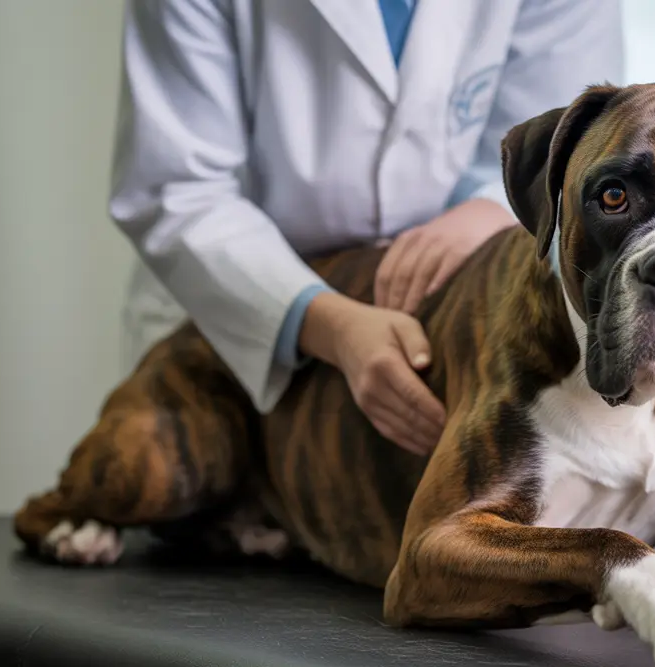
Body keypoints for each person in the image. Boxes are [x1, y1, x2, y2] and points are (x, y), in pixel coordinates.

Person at [108, 0, 624, 455]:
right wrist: (327, 322)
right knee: (190, 492)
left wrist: (489, 207)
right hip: (242, 309)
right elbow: (178, 189)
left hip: (454, 306)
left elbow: (560, 139)